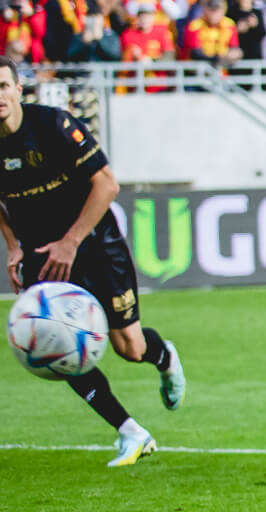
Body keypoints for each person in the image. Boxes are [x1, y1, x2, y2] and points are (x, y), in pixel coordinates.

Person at [0, 57, 186, 467]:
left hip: (96, 243)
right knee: (51, 343)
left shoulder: (53, 125)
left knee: (129, 347)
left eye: (3, 86)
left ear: (18, 89)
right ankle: (130, 431)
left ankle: (165, 357)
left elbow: (107, 184)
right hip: (42, 253)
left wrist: (72, 242)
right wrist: (13, 246)